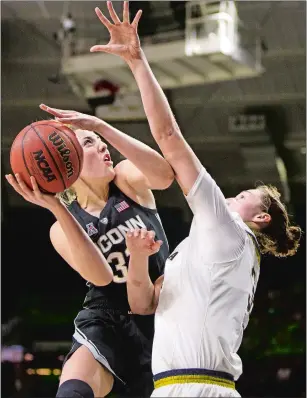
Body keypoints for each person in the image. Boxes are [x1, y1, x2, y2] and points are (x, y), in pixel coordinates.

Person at [90, 2, 302, 396]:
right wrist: (137, 257)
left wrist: (137, 62)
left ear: (260, 219)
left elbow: (169, 137)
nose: (229, 196)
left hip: (197, 388)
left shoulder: (230, 232)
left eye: (241, 196)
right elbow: (143, 304)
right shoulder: (200, 252)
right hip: (176, 386)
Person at [6, 104, 174, 397]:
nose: (103, 147)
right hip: (106, 315)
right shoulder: (61, 227)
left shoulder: (125, 179)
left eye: (101, 142)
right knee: (72, 391)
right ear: (68, 159)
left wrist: (102, 127)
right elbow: (100, 277)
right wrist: (57, 207)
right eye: (89, 143)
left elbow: (165, 176)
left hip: (162, 313)